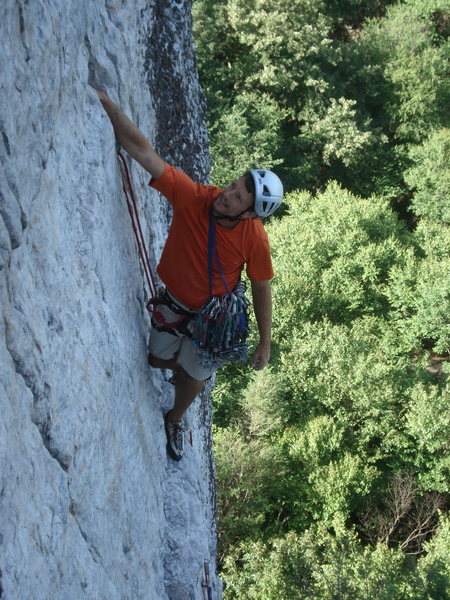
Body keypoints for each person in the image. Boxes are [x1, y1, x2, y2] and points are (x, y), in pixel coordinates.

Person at [94, 89, 283, 461]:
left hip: (212, 319)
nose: (228, 194)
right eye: (234, 185)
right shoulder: (194, 197)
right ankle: (182, 362)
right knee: (156, 359)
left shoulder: (254, 238)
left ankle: (175, 416)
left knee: (195, 376)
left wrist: (265, 341)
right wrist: (106, 104)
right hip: (176, 303)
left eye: (239, 197)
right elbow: (148, 154)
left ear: (250, 215)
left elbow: (261, 286)